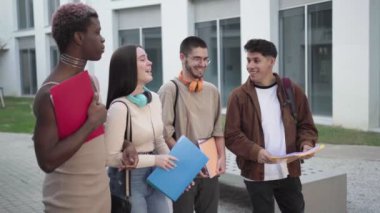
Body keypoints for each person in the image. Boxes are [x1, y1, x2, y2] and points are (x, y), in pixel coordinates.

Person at [224, 38, 318, 213]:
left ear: (271, 61)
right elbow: (232, 135)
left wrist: (306, 144)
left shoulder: (292, 90)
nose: (250, 66)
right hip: (256, 173)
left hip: (288, 171)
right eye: (248, 60)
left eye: (256, 60)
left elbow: (306, 125)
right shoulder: (238, 96)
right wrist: (256, 152)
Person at [32, 3, 110, 212]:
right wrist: (91, 123)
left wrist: (127, 144)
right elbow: (47, 161)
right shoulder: (50, 94)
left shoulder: (91, 81)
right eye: (97, 32)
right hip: (68, 204)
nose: (102, 39)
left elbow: (93, 143)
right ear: (79, 37)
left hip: (100, 198)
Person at [105, 44, 177, 213]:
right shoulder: (119, 107)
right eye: (142, 59)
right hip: (129, 182)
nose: (149, 63)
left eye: (148, 58)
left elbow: (159, 140)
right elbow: (110, 158)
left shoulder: (154, 99)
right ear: (128, 67)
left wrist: (176, 171)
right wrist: (155, 160)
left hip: (155, 176)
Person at [158, 36, 226, 213]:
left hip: (209, 167)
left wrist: (222, 158)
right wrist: (190, 162)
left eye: (205, 59)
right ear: (183, 57)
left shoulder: (212, 91)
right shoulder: (170, 89)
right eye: (197, 58)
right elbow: (164, 134)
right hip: (182, 168)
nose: (202, 64)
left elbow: (218, 129)